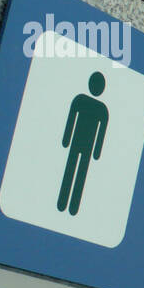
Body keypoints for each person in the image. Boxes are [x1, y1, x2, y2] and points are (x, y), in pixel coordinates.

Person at [57, 71, 109, 216]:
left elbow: (101, 132)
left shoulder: (100, 108)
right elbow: (71, 119)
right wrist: (66, 139)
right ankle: (63, 203)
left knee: (79, 173)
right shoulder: (82, 101)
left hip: (84, 146)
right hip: (79, 144)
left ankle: (72, 206)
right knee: (72, 170)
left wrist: (97, 151)